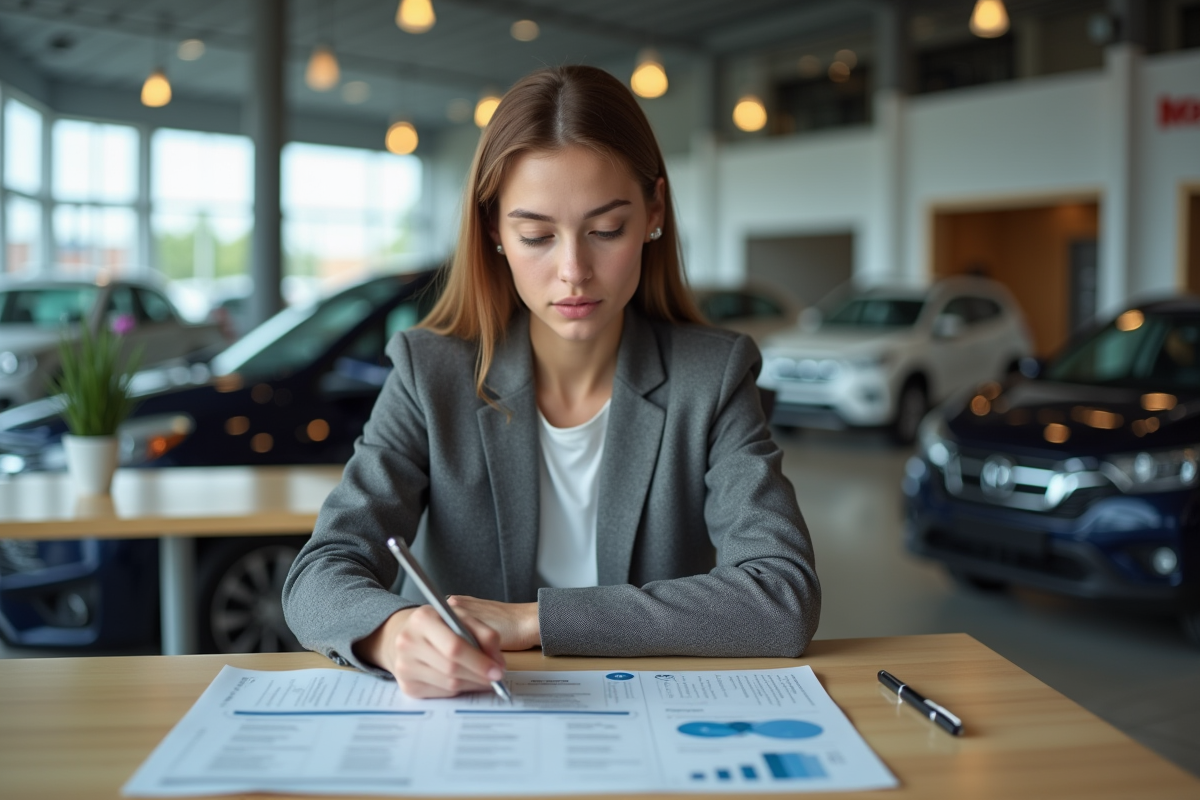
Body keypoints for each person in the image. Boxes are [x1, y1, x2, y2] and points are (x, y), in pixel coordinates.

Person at [282, 65, 820, 699]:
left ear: (654, 210)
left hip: (648, 720)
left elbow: (780, 595)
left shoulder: (713, 376)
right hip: (471, 724)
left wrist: (536, 620)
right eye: (536, 235)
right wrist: (395, 634)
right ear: (494, 231)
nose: (573, 271)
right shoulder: (431, 372)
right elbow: (318, 576)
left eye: (605, 230)